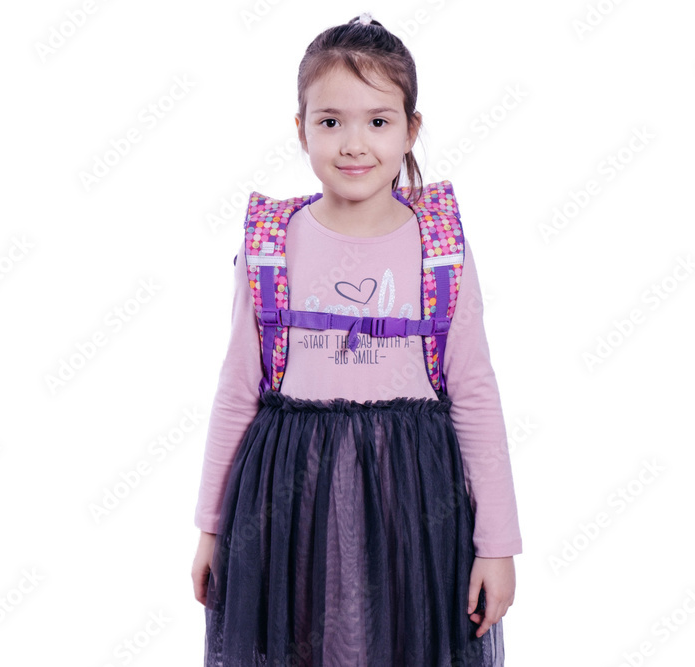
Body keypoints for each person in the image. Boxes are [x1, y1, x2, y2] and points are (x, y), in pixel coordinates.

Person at [190, 13, 522, 666]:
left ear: (410, 130)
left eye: (378, 121)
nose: (353, 144)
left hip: (413, 504)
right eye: (330, 121)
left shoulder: (440, 247)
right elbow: (236, 390)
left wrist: (498, 544)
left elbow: (474, 393)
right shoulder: (270, 244)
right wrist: (211, 527)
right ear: (301, 129)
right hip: (291, 505)